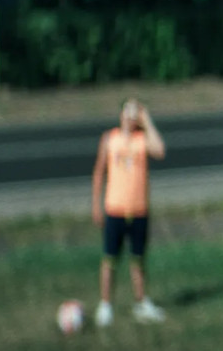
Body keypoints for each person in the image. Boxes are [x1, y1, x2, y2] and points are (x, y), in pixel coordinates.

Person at [91, 98, 168, 327]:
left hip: (139, 210)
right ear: (121, 113)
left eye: (137, 111)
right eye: (129, 109)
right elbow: (98, 173)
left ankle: (141, 302)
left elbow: (161, 151)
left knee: (138, 259)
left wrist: (148, 121)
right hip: (115, 209)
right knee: (109, 259)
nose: (132, 115)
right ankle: (106, 305)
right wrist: (96, 205)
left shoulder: (142, 139)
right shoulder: (109, 139)